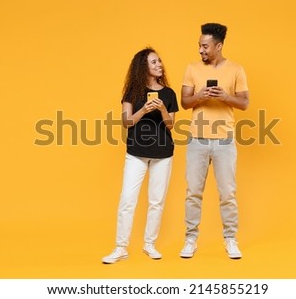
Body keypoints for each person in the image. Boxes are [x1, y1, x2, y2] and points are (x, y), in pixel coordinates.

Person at [102, 47, 179, 264]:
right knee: (127, 199)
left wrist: (163, 108)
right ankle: (120, 248)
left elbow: (170, 125)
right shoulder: (132, 93)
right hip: (136, 153)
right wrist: (144, 109)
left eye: (160, 61)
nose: (159, 65)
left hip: (163, 154)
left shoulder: (169, 93)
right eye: (154, 62)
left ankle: (149, 244)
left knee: (157, 201)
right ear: (142, 67)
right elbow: (126, 122)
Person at [179, 23, 249, 259]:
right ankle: (190, 239)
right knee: (193, 192)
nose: (201, 50)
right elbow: (184, 103)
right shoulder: (192, 68)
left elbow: (245, 103)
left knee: (227, 193)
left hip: (224, 141)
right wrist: (199, 96)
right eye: (199, 45)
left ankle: (230, 239)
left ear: (218, 46)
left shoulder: (236, 70)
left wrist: (226, 97)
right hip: (197, 139)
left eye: (205, 46)